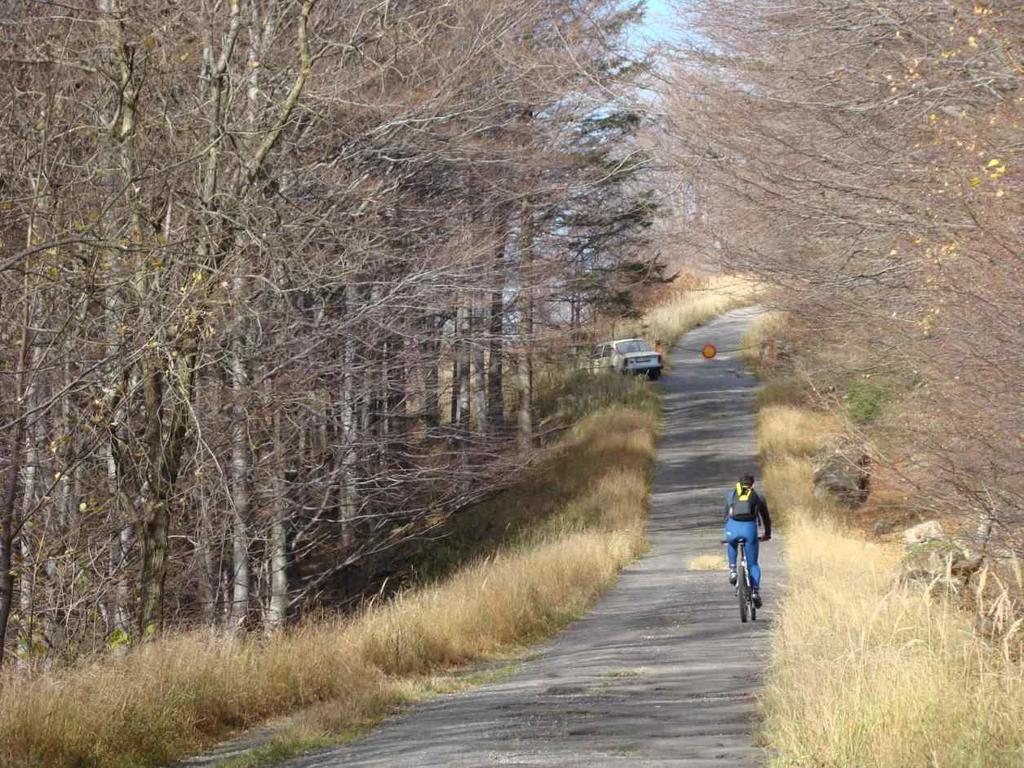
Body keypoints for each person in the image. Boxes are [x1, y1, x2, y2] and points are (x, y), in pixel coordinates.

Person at [723, 474, 772, 607]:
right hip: (749, 530)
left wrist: (726, 535)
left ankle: (733, 570)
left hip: (732, 528)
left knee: (731, 543)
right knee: (753, 564)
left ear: (738, 484)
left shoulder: (730, 495)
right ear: (752, 484)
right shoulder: (758, 497)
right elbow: (766, 518)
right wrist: (767, 534)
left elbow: (726, 517)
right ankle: (755, 591)